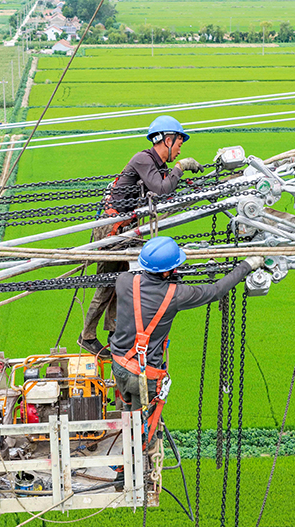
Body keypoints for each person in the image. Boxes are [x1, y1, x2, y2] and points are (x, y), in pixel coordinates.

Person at [108, 236, 263, 442]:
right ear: (166, 271)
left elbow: (147, 283)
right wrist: (248, 265)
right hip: (144, 377)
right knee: (143, 434)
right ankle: (128, 470)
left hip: (119, 365)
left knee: (129, 413)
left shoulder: (124, 281)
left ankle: (128, 428)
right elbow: (216, 291)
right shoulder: (176, 295)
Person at [77, 115, 204, 358]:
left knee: (120, 281)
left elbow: (165, 190)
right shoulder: (143, 159)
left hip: (126, 230)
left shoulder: (155, 165)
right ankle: (87, 336)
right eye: (179, 144)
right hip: (113, 229)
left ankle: (113, 332)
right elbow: (163, 188)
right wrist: (182, 166)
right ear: (167, 140)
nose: (179, 150)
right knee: (108, 283)